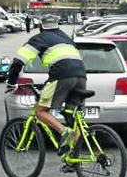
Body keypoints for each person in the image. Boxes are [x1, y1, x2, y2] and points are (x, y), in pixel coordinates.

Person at [6, 15, 87, 157]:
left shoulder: (40, 38)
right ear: (57, 25)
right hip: (81, 76)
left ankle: (64, 132)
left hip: (62, 76)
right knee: (71, 116)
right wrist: (47, 84)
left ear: (41, 26)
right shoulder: (67, 39)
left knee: (40, 111)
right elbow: (68, 62)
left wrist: (11, 82)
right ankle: (73, 158)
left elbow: (19, 61)